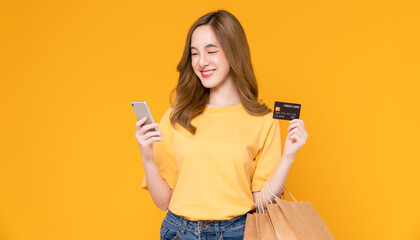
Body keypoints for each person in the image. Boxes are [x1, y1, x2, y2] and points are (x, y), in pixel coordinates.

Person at [135, 9, 308, 240]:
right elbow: (163, 201)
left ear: (234, 52)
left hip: (239, 232)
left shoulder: (263, 120)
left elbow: (261, 202)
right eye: (194, 53)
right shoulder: (177, 116)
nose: (201, 62)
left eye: (211, 51)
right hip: (180, 232)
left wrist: (288, 156)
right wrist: (146, 156)